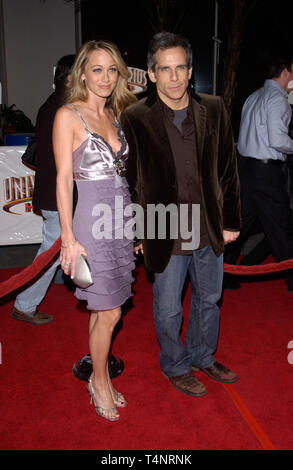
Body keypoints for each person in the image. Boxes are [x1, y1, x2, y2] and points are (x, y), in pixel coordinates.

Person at [121, 32, 241, 397]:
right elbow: (130, 181)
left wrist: (232, 220)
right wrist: (138, 233)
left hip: (207, 224)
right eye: (165, 69)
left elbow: (227, 168)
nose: (174, 78)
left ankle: (203, 356)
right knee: (169, 307)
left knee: (209, 299)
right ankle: (175, 364)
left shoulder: (215, 108)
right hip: (163, 225)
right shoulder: (135, 116)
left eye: (181, 68)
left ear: (190, 71)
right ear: (152, 74)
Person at [53, 40, 137, 421]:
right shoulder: (69, 115)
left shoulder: (117, 115)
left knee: (102, 306)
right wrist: (68, 238)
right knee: (111, 311)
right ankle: (99, 381)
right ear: (82, 73)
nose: (105, 77)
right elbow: (63, 179)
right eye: (97, 69)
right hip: (92, 221)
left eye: (112, 70)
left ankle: (99, 373)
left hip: (120, 220)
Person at [11, 55, 75, 325]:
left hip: (53, 193)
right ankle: (24, 304)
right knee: (50, 253)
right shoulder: (64, 107)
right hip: (56, 195)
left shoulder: (54, 104)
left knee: (56, 249)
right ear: (71, 77)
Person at [224, 55, 293, 291]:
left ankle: (224, 273)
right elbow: (278, 140)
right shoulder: (278, 99)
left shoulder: (253, 96)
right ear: (285, 72)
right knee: (281, 226)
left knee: (240, 226)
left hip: (246, 170)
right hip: (267, 174)